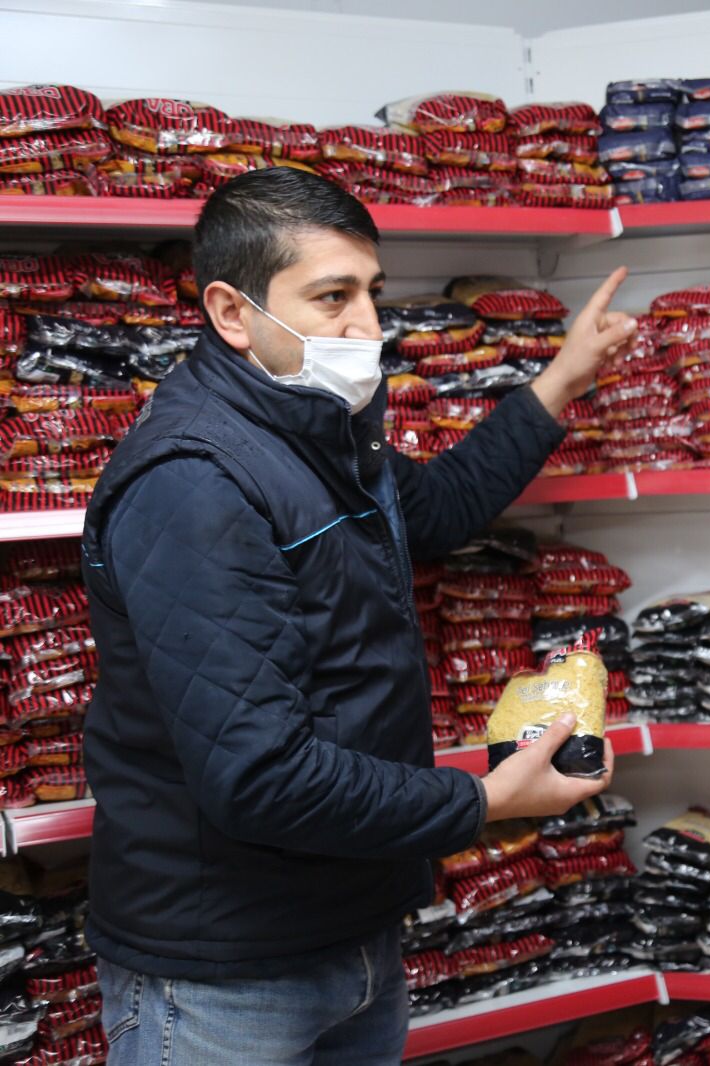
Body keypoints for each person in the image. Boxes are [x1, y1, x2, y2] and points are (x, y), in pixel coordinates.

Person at [80, 167, 637, 1065]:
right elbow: (258, 775)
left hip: (353, 930)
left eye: (372, 293)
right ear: (231, 312)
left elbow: (440, 511)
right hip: (227, 965)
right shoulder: (195, 483)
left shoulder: (322, 430)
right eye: (332, 297)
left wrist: (562, 379)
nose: (368, 327)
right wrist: (485, 801)